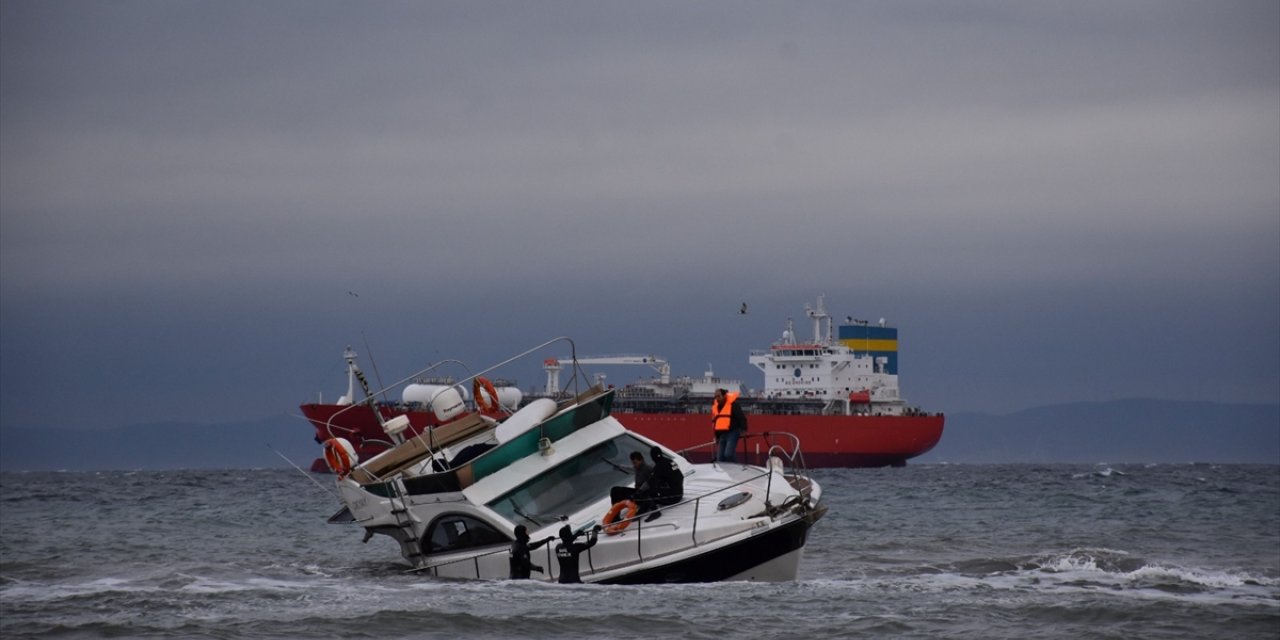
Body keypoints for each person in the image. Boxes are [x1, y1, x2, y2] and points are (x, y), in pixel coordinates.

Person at [638, 446, 684, 521]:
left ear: (653, 457)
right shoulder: (670, 461)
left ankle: (655, 512)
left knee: (648, 492)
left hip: (673, 498)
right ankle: (645, 507)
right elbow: (680, 476)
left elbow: (650, 482)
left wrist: (639, 491)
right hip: (680, 492)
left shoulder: (659, 466)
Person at [711, 388, 748, 463]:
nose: (717, 399)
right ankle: (725, 473)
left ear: (724, 395)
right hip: (722, 434)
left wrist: (743, 430)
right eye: (715, 397)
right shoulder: (716, 408)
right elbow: (716, 423)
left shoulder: (733, 405)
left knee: (728, 454)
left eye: (718, 396)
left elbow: (741, 417)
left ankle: (738, 468)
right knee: (720, 458)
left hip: (733, 432)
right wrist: (717, 436)